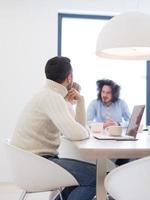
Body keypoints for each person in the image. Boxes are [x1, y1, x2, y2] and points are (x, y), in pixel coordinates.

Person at [10, 56, 96, 200]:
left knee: (83, 176)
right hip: (38, 163)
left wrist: (80, 102)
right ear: (69, 78)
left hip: (31, 162)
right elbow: (78, 133)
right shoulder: (52, 97)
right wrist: (85, 130)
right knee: (95, 177)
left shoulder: (47, 95)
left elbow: (78, 131)